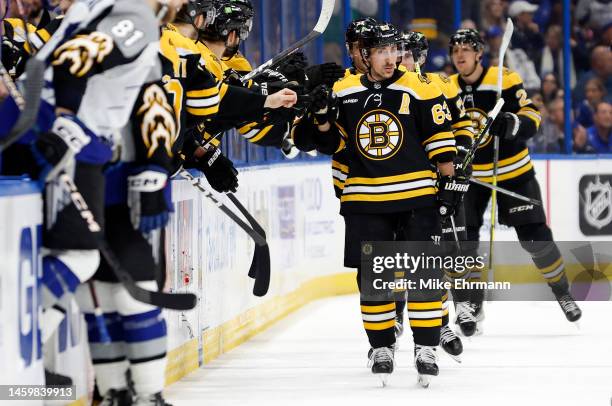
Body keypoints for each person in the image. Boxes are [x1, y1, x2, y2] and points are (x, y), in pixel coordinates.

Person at [293, 22, 467, 387]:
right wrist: (322, 117)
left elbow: (440, 140)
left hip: (417, 197)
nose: (390, 58)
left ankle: (426, 347)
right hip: (365, 200)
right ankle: (382, 346)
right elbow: (328, 145)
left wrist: (449, 183)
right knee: (374, 279)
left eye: (394, 50)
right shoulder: (342, 90)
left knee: (424, 275)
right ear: (364, 54)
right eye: (381, 51)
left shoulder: (419, 86)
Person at [448, 28, 582, 335]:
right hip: (469, 176)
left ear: (479, 54)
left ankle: (562, 292)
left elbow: (532, 114)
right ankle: (472, 302)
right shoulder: (448, 88)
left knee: (534, 235)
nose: (460, 55)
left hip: (513, 171)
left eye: (466, 49)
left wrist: (511, 124)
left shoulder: (503, 79)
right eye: (455, 51)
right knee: (463, 242)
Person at [401, 30, 472, 360]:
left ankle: (443, 319)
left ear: (422, 57)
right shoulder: (386, 89)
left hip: (435, 184)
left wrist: (461, 150)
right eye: (401, 53)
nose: (405, 59)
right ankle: (398, 320)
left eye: (412, 54)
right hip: (404, 185)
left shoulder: (441, 85)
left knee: (439, 252)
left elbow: (463, 126)